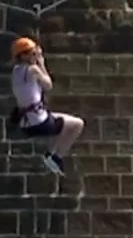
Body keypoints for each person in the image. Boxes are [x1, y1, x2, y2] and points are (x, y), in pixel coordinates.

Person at [9, 37, 85, 176]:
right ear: (23, 56)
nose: (35, 56)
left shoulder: (15, 71)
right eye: (32, 54)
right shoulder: (33, 70)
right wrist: (42, 63)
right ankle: (56, 156)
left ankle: (51, 154)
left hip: (26, 124)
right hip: (40, 122)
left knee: (62, 122)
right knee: (77, 124)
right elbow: (49, 85)